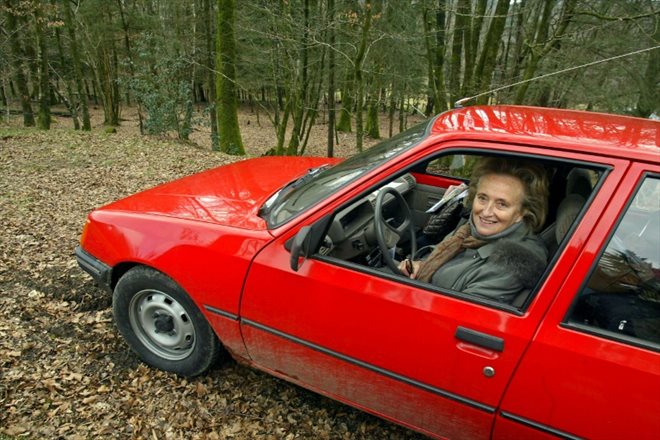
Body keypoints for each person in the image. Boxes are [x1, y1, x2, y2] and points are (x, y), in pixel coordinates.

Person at [399, 157, 550, 303]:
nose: (486, 212)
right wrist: (421, 265)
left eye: (502, 204)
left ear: (522, 213)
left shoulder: (512, 263)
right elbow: (440, 259)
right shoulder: (469, 231)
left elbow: (455, 315)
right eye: (483, 198)